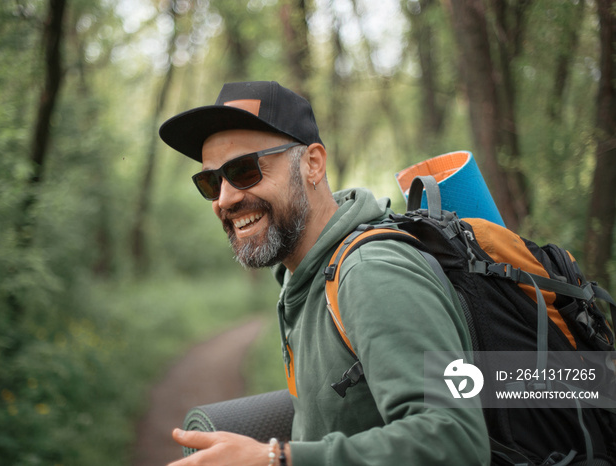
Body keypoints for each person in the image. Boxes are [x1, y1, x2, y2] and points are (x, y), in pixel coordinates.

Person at [158, 81, 490, 466]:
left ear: (312, 164)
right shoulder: (303, 279)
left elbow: (456, 443)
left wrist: (274, 458)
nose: (225, 198)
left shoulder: (371, 274)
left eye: (245, 170)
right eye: (211, 182)